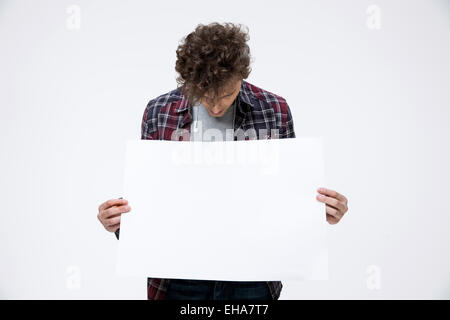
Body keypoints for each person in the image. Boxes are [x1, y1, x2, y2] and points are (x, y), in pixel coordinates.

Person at [97, 22, 348, 300]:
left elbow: (287, 193)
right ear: (189, 82)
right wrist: (120, 221)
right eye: (204, 95)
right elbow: (153, 195)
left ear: (242, 76)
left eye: (227, 94)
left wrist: (317, 213)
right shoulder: (159, 110)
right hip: (179, 277)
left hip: (253, 276)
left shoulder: (275, 109)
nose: (216, 106)